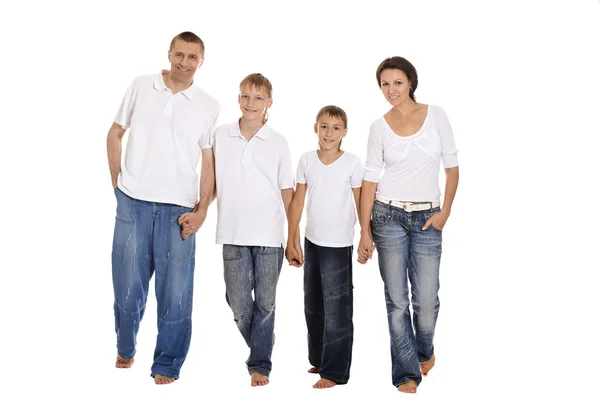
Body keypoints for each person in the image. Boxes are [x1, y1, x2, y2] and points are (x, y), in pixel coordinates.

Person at [106, 31, 220, 385]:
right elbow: (114, 133)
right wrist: (117, 186)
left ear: (202, 61)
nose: (184, 63)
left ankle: (167, 364)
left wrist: (202, 210)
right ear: (169, 53)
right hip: (133, 203)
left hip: (179, 211)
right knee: (127, 289)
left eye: (192, 57)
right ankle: (126, 346)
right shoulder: (141, 86)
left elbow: (209, 161)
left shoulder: (209, 105)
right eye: (179, 54)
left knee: (176, 295)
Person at [357, 56, 459, 393]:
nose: (391, 90)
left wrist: (444, 212)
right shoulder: (378, 126)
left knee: (426, 300)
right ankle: (406, 373)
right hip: (387, 216)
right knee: (397, 299)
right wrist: (366, 231)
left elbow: (453, 168)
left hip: (429, 217)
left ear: (411, 82)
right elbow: (370, 182)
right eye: (384, 84)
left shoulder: (436, 115)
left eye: (397, 82)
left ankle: (424, 350)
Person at [210, 73, 298, 387]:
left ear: (269, 103)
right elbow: (211, 181)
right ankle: (263, 340)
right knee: (237, 302)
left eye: (258, 98)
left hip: (269, 235)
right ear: (238, 98)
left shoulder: (278, 142)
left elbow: (288, 191)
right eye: (246, 96)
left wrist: (293, 237)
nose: (251, 103)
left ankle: (260, 363)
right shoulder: (221, 135)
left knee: (267, 302)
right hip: (231, 233)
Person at [286, 105, 363, 389]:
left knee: (337, 309)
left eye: (335, 128)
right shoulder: (307, 160)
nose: (329, 133)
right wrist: (292, 237)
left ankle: (335, 371)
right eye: (324, 126)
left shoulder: (352, 163)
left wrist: (366, 235)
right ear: (315, 128)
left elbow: (360, 202)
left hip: (338, 243)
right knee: (313, 305)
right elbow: (297, 201)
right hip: (312, 240)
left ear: (344, 132)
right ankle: (318, 358)